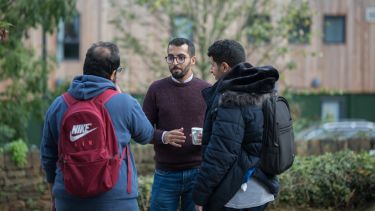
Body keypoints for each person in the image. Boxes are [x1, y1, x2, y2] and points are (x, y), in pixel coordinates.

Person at [40, 41, 154, 211]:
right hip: (117, 200)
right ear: (113, 74)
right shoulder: (125, 102)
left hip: (68, 199)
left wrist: (54, 196)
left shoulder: (58, 105)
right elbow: (146, 135)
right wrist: (122, 98)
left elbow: (48, 157)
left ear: (85, 68)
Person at [192, 39, 280, 211]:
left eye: (213, 65)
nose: (211, 70)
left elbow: (221, 154)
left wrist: (200, 195)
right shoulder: (259, 89)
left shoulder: (231, 97)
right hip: (262, 186)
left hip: (238, 194)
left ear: (224, 67)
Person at [142, 37, 211, 211]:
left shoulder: (207, 90)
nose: (175, 62)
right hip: (165, 173)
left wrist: (208, 135)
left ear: (192, 60)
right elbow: (142, 131)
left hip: (198, 172)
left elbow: (220, 129)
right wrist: (163, 136)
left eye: (181, 57)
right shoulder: (156, 89)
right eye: (170, 57)